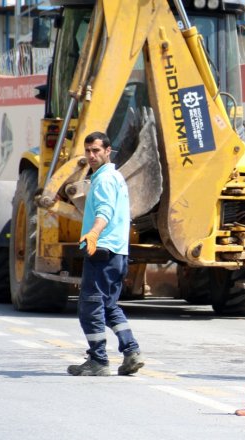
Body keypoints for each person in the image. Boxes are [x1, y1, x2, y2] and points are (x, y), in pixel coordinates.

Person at [68, 131, 144, 376]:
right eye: (88, 150)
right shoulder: (116, 177)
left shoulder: (103, 179)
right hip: (118, 252)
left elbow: (105, 211)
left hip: (102, 249)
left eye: (96, 151)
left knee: (89, 306)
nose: (91, 155)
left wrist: (93, 233)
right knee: (109, 305)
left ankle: (98, 360)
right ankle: (131, 351)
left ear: (107, 151)